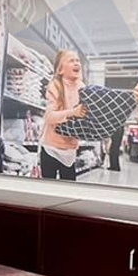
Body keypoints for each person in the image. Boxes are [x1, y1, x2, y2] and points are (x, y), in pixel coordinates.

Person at [40, 49, 87, 181]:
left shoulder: (83, 88)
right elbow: (49, 117)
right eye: (71, 60)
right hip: (51, 148)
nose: (76, 63)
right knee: (48, 187)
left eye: (77, 60)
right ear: (60, 70)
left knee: (69, 186)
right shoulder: (55, 86)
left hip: (70, 149)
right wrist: (73, 112)